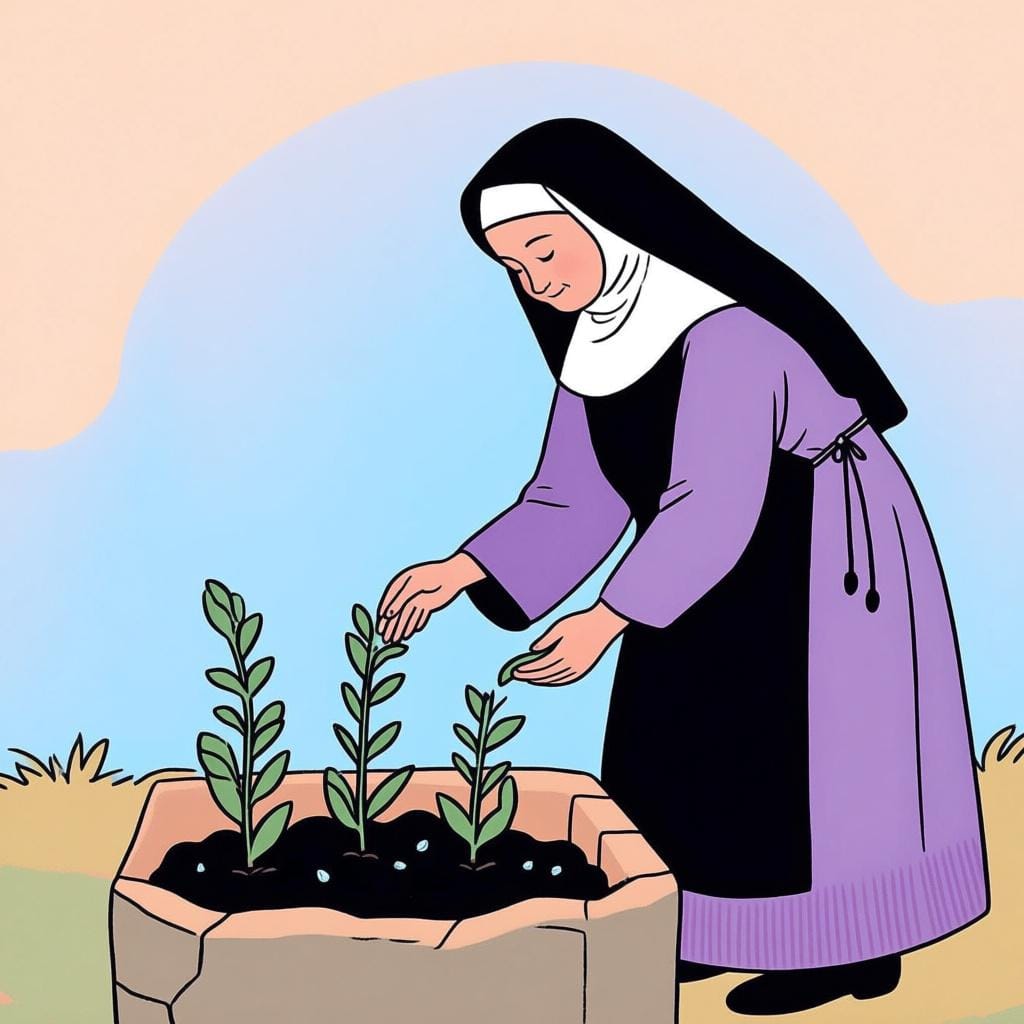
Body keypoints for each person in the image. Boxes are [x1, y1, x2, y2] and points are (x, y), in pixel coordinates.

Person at [376, 119, 988, 1015]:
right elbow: (573, 498)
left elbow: (716, 497)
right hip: (693, 562)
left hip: (818, 555)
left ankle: (845, 950)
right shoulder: (595, 346)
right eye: (516, 270)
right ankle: (704, 931)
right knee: (679, 734)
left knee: (806, 756)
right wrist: (464, 570)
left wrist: (604, 618)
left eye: (545, 249)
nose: (539, 282)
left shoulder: (728, 333)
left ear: (606, 218)